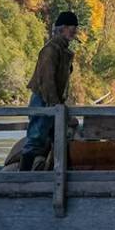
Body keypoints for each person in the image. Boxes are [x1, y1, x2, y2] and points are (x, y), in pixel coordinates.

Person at [20, 11, 78, 171]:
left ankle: (58, 175)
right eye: (72, 27)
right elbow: (47, 81)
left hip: (53, 102)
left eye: (75, 28)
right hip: (43, 100)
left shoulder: (63, 51)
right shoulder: (50, 50)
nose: (75, 31)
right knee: (35, 139)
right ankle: (21, 179)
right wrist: (55, 106)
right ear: (63, 28)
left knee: (59, 139)